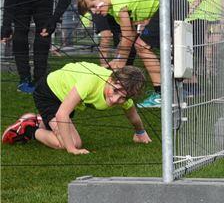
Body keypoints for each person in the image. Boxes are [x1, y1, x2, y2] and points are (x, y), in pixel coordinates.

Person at [77, 0, 182, 108]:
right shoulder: (114, 4)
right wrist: (118, 59)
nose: (94, 12)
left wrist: (120, 63)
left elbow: (127, 37)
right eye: (90, 10)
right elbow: (130, 34)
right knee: (145, 45)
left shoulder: (118, 2)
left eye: (93, 6)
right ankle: (168, 91)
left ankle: (162, 95)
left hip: (173, 0)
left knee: (142, 46)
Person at [2, 63, 149, 153]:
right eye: (115, 91)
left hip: (66, 97)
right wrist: (71, 149)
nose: (116, 99)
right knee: (70, 143)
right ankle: (27, 128)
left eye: (123, 98)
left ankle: (41, 121)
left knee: (65, 135)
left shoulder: (124, 91)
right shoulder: (91, 81)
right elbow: (62, 114)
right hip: (49, 93)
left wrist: (140, 133)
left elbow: (133, 116)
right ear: (111, 79)